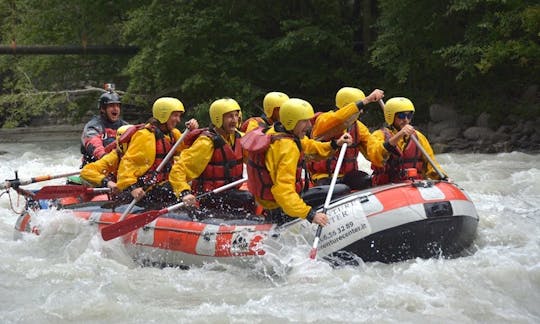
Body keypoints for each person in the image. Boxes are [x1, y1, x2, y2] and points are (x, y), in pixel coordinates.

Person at [242, 98, 352, 226]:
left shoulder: (277, 131)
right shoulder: (287, 148)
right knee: (342, 189)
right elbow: (283, 191)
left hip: (272, 203)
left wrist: (334, 144)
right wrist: (310, 214)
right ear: (291, 121)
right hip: (281, 208)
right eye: (304, 121)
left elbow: (309, 145)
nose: (309, 125)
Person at [169, 98, 255, 215]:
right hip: (210, 196)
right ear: (218, 118)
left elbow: (256, 160)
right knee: (248, 198)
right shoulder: (206, 142)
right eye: (230, 116)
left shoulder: (239, 137)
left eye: (236, 115)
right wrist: (184, 193)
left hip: (230, 191)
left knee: (257, 195)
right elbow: (179, 169)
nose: (234, 120)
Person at [115, 97, 198, 209]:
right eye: (175, 116)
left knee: (181, 187)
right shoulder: (145, 135)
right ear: (164, 115)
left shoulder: (174, 134)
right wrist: (132, 187)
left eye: (179, 116)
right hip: (145, 190)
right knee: (170, 189)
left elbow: (187, 148)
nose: (178, 120)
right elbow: (129, 162)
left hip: (163, 185)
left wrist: (192, 131)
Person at [308, 87, 384, 189]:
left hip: (349, 176)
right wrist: (367, 100)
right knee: (338, 189)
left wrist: (389, 146)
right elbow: (338, 119)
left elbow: (372, 150)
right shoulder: (324, 120)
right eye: (359, 107)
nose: (361, 112)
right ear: (347, 107)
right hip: (324, 177)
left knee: (367, 181)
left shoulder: (358, 127)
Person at [367, 97, 448, 185]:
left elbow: (431, 164)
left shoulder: (418, 137)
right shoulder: (378, 135)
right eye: (401, 116)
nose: (406, 119)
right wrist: (399, 135)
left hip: (414, 185)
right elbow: (376, 158)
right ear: (391, 116)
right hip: (387, 186)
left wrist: (443, 177)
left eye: (409, 116)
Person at [80, 86, 128, 167]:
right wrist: (103, 156)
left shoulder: (125, 126)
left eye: (117, 106)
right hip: (95, 166)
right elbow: (93, 142)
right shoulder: (93, 126)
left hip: (118, 167)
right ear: (103, 109)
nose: (115, 109)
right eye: (111, 106)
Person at [80, 124, 132, 193]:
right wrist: (107, 182)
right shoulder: (115, 156)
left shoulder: (146, 153)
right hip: (98, 161)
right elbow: (93, 141)